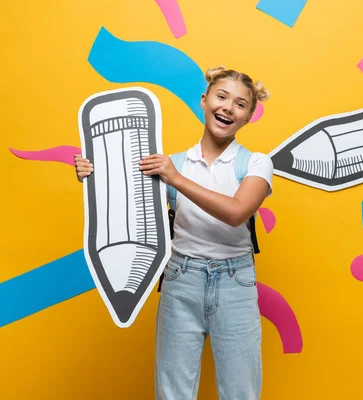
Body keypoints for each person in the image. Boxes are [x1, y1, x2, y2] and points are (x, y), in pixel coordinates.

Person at [74, 65, 273, 400]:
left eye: (240, 104)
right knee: (172, 391)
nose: (228, 107)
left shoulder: (256, 163)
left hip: (235, 283)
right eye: (221, 97)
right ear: (204, 100)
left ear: (248, 117)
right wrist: (93, 172)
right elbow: (126, 195)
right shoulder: (172, 163)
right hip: (182, 278)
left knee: (241, 391)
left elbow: (238, 212)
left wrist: (175, 179)